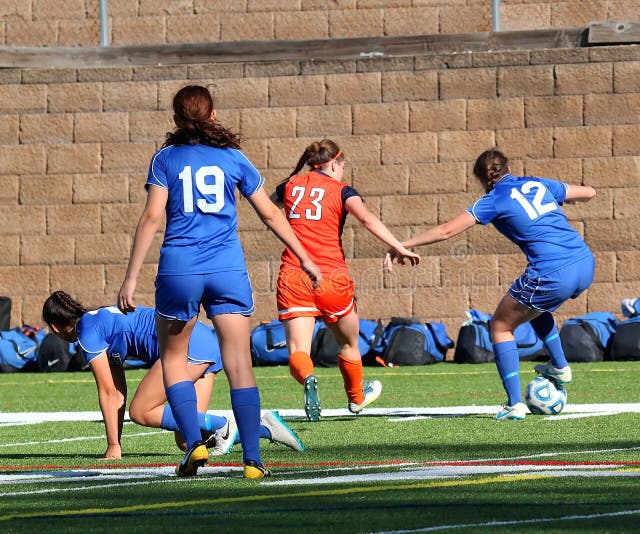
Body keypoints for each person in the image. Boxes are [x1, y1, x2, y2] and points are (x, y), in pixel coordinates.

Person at [116, 85, 321, 478]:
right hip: (227, 269)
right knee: (239, 364)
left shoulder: (165, 160)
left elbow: (151, 219)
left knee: (174, 360)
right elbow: (272, 215)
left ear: (175, 120)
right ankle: (254, 461)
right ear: (212, 116)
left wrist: (130, 279)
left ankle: (193, 444)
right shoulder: (233, 158)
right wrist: (304, 256)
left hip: (180, 270)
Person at [391, 149, 596, 420]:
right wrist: (559, 201)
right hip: (584, 263)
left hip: (552, 272)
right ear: (507, 167)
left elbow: (446, 231)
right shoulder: (537, 184)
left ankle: (515, 404)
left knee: (500, 325)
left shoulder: (493, 198)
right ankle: (558, 367)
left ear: (484, 179)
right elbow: (589, 192)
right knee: (532, 307)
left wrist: (403, 245)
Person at [42, 291, 305, 460]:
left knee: (141, 412)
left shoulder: (86, 333)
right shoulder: (97, 321)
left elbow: (109, 393)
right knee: (188, 439)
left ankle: (226, 424)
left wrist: (113, 447)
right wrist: (116, 443)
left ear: (55, 327)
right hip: (203, 342)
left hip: (187, 347)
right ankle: (266, 428)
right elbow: (118, 390)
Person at [274, 139, 419, 422]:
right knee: (349, 343)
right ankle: (356, 398)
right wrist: (398, 246)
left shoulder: (289, 185)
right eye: (342, 165)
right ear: (332, 164)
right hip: (331, 278)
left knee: (298, 351)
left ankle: (308, 378)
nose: (343, 170)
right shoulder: (342, 191)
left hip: (294, 274)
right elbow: (366, 219)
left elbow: (269, 210)